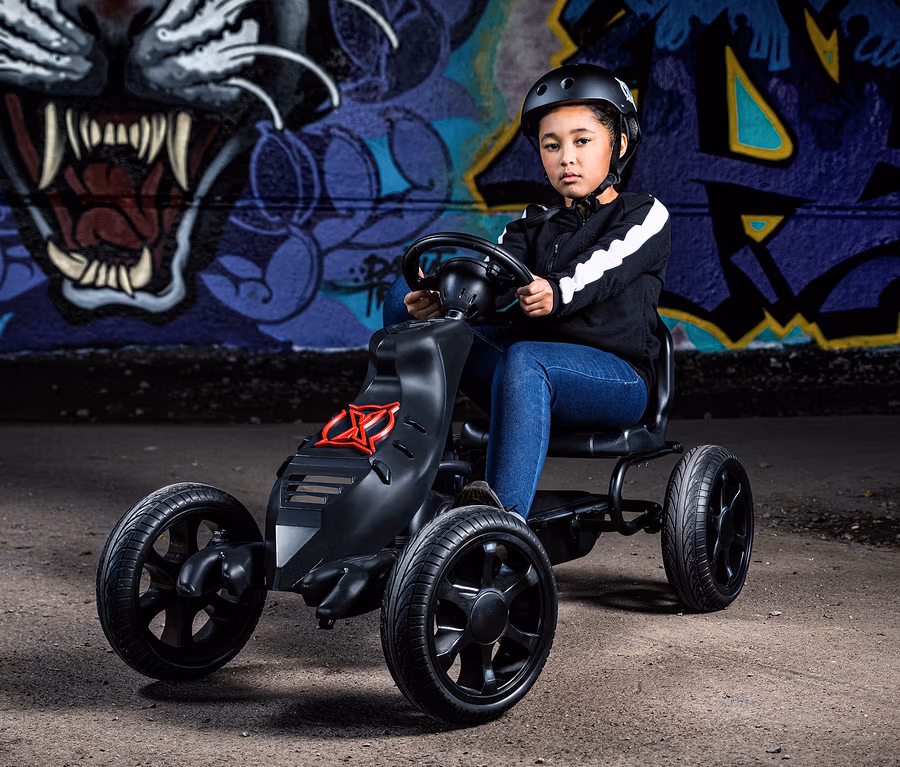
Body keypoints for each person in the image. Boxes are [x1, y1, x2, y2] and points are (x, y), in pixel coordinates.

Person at [382, 63, 670, 517]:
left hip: (616, 379)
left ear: (619, 144)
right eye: (551, 145)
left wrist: (556, 291)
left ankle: (502, 522)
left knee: (526, 358)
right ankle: (414, 475)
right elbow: (491, 277)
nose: (566, 158)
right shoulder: (531, 222)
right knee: (404, 299)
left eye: (582, 141)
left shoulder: (644, 214)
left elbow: (604, 268)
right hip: (523, 368)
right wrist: (444, 300)